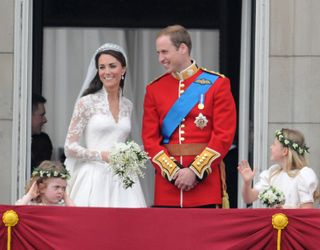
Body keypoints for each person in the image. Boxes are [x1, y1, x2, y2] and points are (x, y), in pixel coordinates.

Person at [142, 25, 236, 207]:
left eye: (164, 52)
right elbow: (150, 139)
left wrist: (195, 171)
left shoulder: (217, 84)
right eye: (158, 53)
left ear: (183, 48)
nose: (161, 58)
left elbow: (223, 136)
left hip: (204, 186)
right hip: (168, 186)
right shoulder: (154, 89)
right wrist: (173, 172)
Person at [64, 43, 146, 207]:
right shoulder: (86, 103)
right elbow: (69, 147)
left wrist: (133, 155)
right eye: (102, 67)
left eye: (112, 66)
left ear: (123, 69)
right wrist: (102, 155)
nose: (106, 72)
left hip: (123, 178)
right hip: (93, 176)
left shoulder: (127, 105)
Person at [238, 128, 319, 208]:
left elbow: (306, 210)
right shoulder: (272, 173)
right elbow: (248, 198)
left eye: (274, 144)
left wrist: (283, 209)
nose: (271, 147)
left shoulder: (303, 175)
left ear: (284, 151)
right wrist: (247, 183)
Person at [31, 93, 53, 172]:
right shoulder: (11, 142)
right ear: (28, 115)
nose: (45, 120)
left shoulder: (43, 141)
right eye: (41, 115)